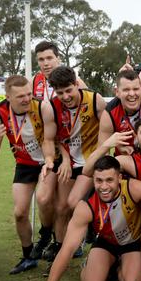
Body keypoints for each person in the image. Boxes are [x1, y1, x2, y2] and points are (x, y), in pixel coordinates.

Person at [38, 156, 141, 281]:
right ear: (93, 179)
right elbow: (67, 249)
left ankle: (117, 268)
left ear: (119, 178)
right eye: (99, 181)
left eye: (109, 180)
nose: (104, 187)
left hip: (131, 241)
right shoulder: (85, 206)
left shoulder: (133, 188)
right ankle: (93, 263)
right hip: (105, 243)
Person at [0, 75, 57, 274]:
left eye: (29, 94)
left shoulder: (42, 107)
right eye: (20, 97)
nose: (27, 99)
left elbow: (50, 140)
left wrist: (49, 161)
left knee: (43, 199)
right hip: (24, 165)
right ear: (8, 96)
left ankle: (45, 236)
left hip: (47, 161)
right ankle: (28, 257)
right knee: (19, 213)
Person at [40, 66, 106, 261]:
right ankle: (62, 247)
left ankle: (88, 231)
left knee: (72, 202)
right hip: (68, 161)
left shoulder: (95, 100)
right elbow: (49, 139)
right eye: (60, 93)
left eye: (69, 90)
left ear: (77, 84)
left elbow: (107, 129)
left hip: (91, 161)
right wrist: (55, 159)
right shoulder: (51, 106)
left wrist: (100, 159)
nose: (65, 96)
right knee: (61, 207)